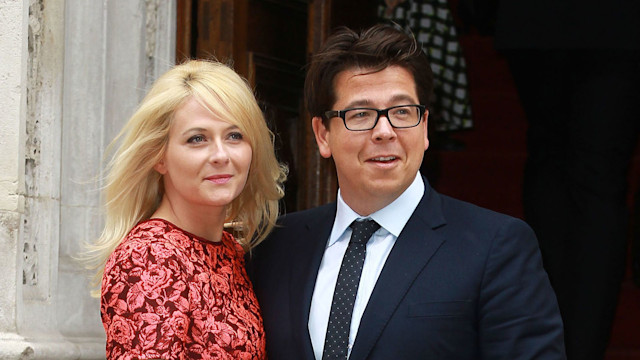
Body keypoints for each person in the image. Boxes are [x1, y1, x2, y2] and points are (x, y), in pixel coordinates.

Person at [248, 24, 566, 359]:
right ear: (322, 134)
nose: (384, 131)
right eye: (361, 114)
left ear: (425, 127)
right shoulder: (276, 247)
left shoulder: (495, 247)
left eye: (402, 112)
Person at [85, 60, 287, 359]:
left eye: (234, 136)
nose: (221, 155)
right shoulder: (149, 256)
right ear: (159, 157)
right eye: (197, 139)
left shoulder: (229, 251)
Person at [494, 2, 640, 359]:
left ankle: (558, 344)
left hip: (540, 21)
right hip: (609, 23)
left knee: (553, 157)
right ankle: (577, 347)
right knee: (593, 176)